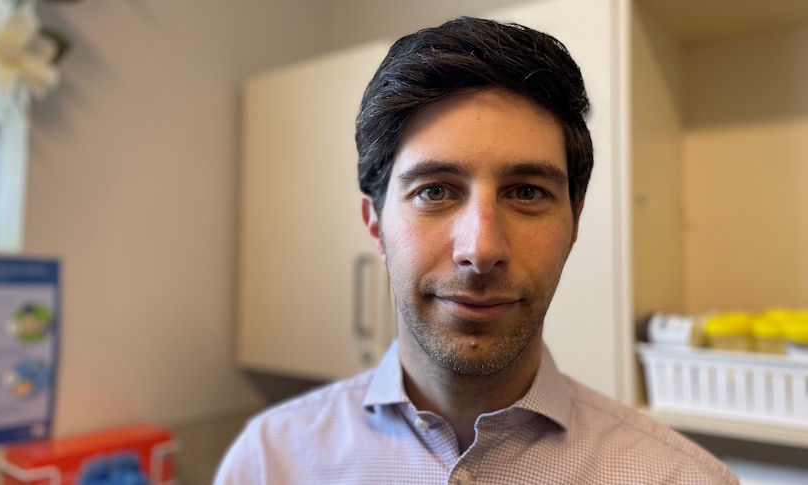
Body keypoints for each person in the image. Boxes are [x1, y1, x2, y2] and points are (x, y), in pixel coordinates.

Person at [214, 16, 740, 484]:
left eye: (527, 192)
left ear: (574, 224)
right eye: (435, 191)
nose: (481, 249)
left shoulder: (682, 477)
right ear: (374, 225)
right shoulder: (268, 462)